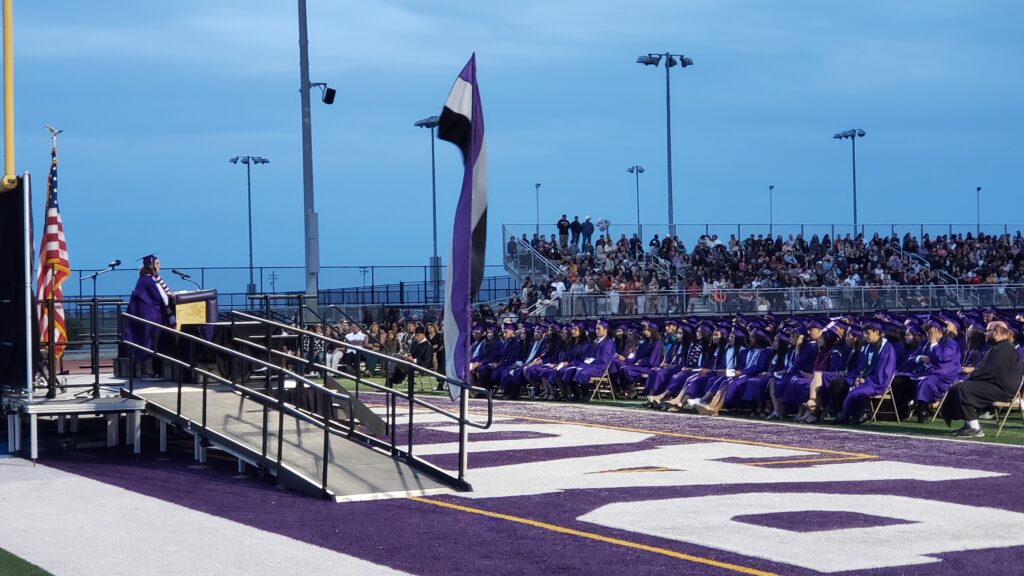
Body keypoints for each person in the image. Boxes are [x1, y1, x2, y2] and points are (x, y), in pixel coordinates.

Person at [941, 320, 1024, 437]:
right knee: (962, 387)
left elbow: (987, 371)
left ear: (996, 332)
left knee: (963, 388)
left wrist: (969, 379)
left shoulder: (1004, 349)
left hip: (1002, 389)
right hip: (995, 385)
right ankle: (969, 425)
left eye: (987, 331)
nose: (985, 333)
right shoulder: (999, 348)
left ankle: (975, 428)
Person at [124, 253, 176, 378]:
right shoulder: (148, 280)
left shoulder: (146, 279)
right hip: (150, 317)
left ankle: (151, 371)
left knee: (151, 343)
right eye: (157, 263)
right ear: (150, 265)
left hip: (151, 316)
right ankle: (149, 371)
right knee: (149, 343)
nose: (159, 266)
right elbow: (161, 296)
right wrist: (171, 297)